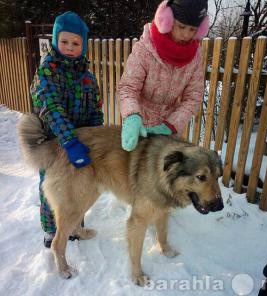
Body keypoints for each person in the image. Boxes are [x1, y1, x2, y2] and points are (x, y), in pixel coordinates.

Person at [30, 11, 104, 248]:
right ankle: (52, 230)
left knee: (80, 185)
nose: (69, 47)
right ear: (54, 40)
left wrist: (94, 138)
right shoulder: (47, 72)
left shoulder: (89, 78)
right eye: (64, 41)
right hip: (52, 144)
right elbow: (50, 108)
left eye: (75, 43)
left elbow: (96, 109)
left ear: (82, 45)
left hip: (81, 143)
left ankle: (74, 225)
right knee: (51, 188)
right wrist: (69, 141)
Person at [117, 0, 209, 152]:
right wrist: (132, 116)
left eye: (193, 29)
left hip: (170, 131)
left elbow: (194, 97)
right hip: (140, 126)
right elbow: (128, 87)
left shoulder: (196, 56)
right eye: (181, 26)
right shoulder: (145, 48)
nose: (186, 35)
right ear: (168, 19)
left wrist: (170, 125)